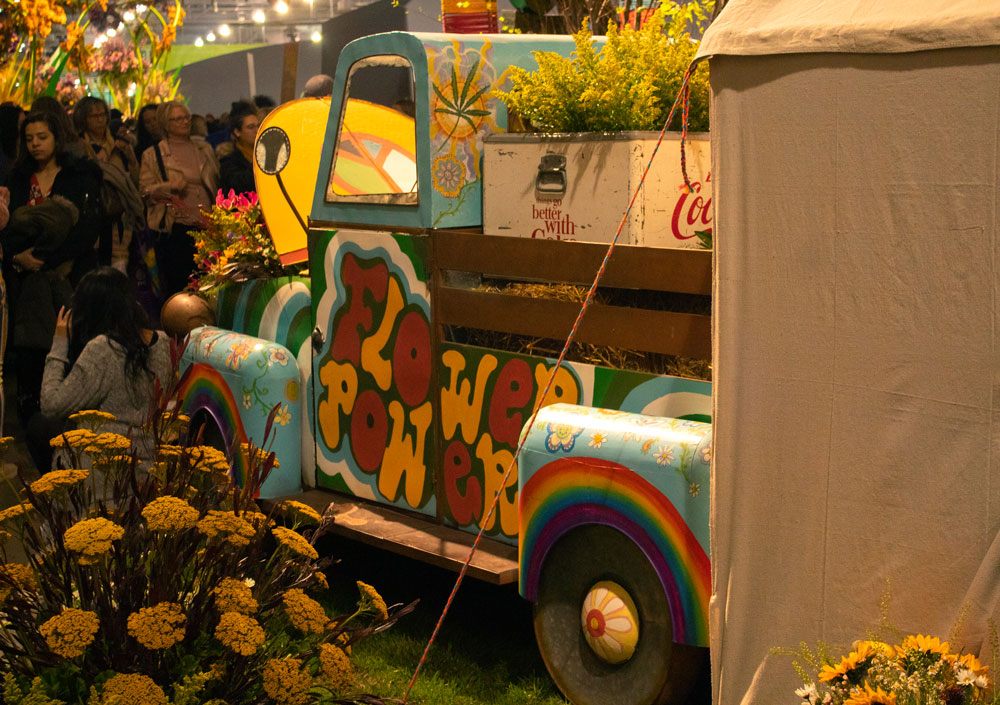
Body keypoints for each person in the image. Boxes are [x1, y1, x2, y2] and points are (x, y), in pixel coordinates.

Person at [2, 110, 104, 423]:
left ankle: (76, 417)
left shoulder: (77, 174)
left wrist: (47, 258)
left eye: (42, 137)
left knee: (75, 344)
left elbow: (87, 229)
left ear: (57, 137)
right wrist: (18, 258)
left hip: (71, 273)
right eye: (29, 138)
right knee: (33, 350)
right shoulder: (18, 178)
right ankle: (35, 418)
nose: (35, 144)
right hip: (27, 279)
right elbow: (7, 230)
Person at [27, 267, 174, 469]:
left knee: (39, 426)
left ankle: (65, 498)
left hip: (105, 466)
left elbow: (51, 405)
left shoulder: (104, 348)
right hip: (150, 462)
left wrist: (59, 342)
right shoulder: (164, 342)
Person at [139, 100, 219, 297]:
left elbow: (216, 181)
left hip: (206, 224)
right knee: (182, 286)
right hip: (176, 228)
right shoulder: (154, 154)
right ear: (166, 123)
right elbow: (144, 190)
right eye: (177, 119)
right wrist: (170, 186)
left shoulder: (203, 149)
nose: (184, 122)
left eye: (186, 117)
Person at [72, 97, 143, 269]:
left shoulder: (120, 144)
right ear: (83, 119)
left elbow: (135, 180)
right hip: (94, 214)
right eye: (93, 116)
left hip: (122, 214)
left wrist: (131, 158)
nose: (100, 119)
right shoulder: (78, 146)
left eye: (103, 114)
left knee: (122, 266)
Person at [218, 103, 259, 195]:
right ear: (237, 132)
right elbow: (242, 185)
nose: (257, 130)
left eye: (258, 125)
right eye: (251, 127)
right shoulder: (228, 162)